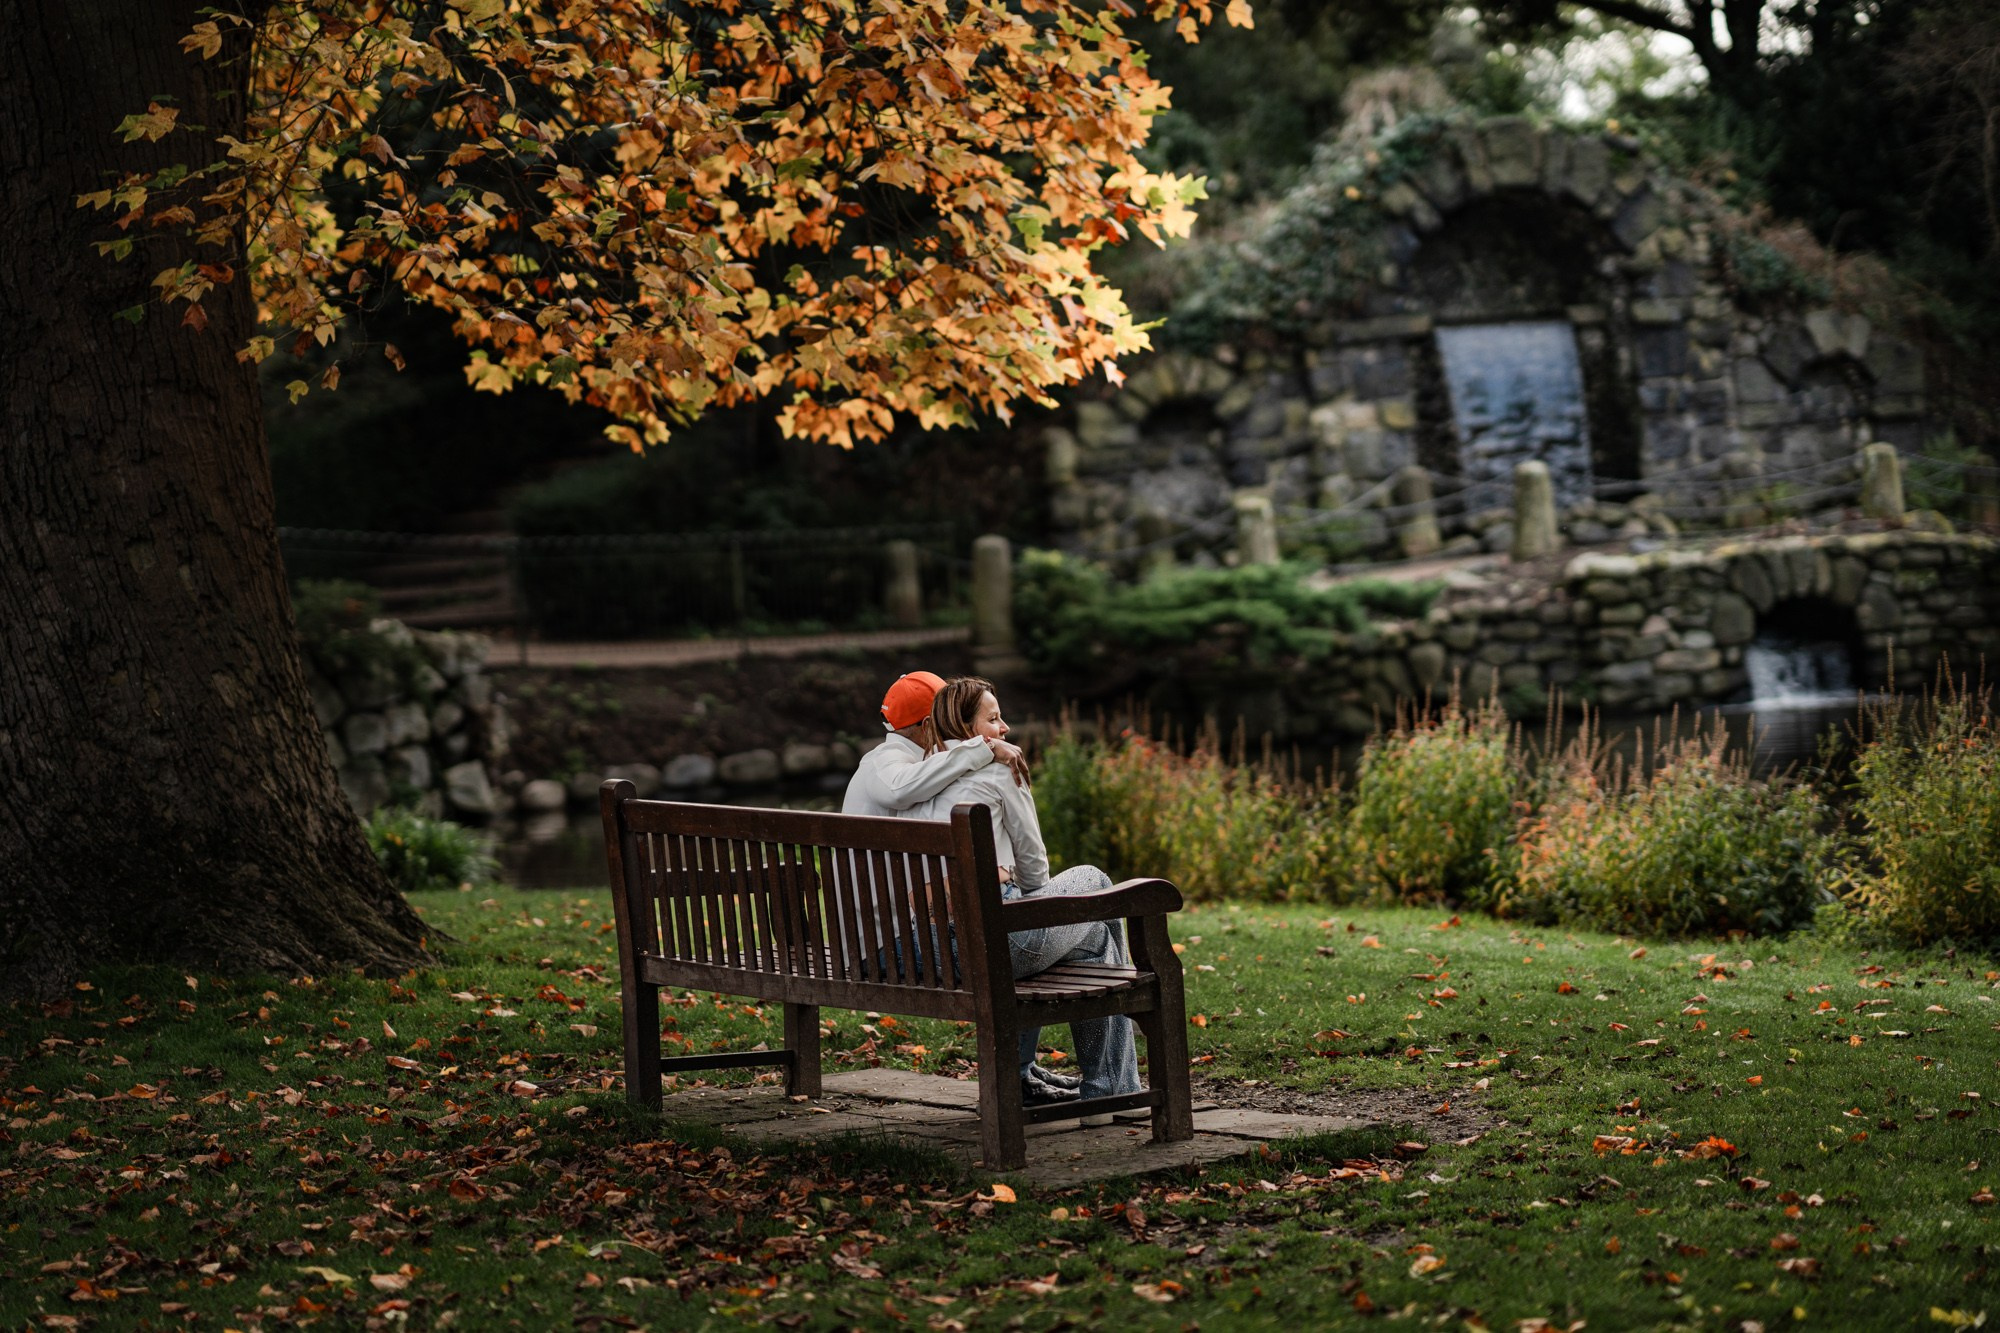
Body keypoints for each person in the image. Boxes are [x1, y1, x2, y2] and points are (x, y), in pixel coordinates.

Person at [906, 677, 1141, 1125]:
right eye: (993, 719)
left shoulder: (919, 780)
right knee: (1094, 881)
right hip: (996, 944)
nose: (1005, 728)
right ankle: (1111, 1089)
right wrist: (1041, 912)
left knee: (1093, 936)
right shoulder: (999, 771)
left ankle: (1107, 1086)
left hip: (936, 950)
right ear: (966, 725)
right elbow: (1035, 869)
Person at [839, 672, 1079, 1103]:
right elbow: (900, 790)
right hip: (894, 945)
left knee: (1021, 925)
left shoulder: (926, 768)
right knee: (1056, 913)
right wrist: (985, 748)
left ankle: (1022, 1073)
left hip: (915, 932)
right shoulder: (891, 768)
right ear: (934, 723)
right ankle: (1098, 1080)